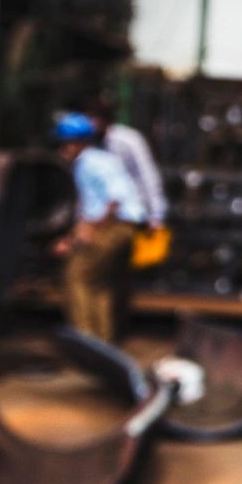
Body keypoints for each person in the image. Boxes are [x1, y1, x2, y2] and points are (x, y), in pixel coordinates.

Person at [52, 111, 147, 343]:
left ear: (79, 142)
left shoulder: (90, 163)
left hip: (114, 226)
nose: (62, 149)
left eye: (66, 143)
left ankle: (84, 340)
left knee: (77, 277)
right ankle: (103, 344)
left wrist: (91, 231)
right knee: (100, 285)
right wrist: (73, 236)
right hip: (121, 226)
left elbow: (114, 200)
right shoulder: (97, 160)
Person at [81, 96, 168, 337]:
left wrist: (156, 215)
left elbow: (148, 177)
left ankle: (110, 332)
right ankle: (105, 335)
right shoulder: (86, 144)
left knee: (114, 279)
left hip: (127, 217)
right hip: (101, 219)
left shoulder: (127, 141)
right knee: (103, 279)